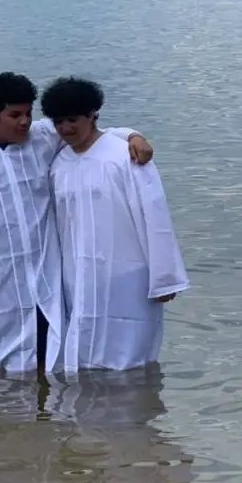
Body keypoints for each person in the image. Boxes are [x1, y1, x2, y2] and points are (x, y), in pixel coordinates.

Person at [0, 72, 154, 377]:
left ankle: (49, 416)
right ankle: (9, 416)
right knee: (4, 356)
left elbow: (94, 131)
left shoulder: (42, 138)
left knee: (53, 345)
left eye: (28, 113)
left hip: (47, 266)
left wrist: (133, 136)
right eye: (15, 115)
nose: (24, 122)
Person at [44, 76, 189, 372]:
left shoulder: (125, 156)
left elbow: (155, 217)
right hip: (79, 274)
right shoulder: (60, 164)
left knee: (130, 359)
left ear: (92, 115)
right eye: (59, 122)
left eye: (73, 119)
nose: (66, 129)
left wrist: (164, 277)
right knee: (85, 355)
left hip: (128, 274)